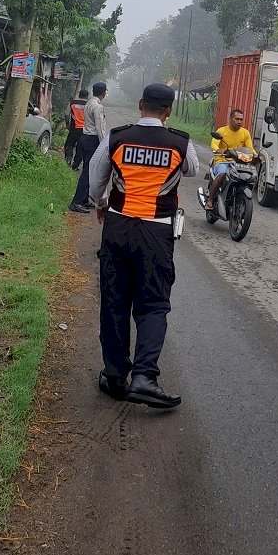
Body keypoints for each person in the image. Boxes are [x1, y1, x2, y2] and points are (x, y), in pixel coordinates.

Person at [89, 82, 199, 409]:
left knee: (114, 300)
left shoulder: (118, 137)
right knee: (153, 303)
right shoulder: (180, 142)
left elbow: (97, 174)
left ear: (140, 105)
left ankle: (114, 375)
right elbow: (192, 170)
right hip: (157, 233)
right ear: (168, 111)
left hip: (118, 225)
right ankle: (144, 377)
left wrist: (99, 203)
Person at [203, 107, 255, 211]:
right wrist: (218, 150)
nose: (239, 121)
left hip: (238, 162)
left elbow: (250, 148)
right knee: (222, 174)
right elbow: (214, 143)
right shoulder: (222, 131)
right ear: (230, 119)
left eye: (241, 119)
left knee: (249, 176)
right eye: (237, 119)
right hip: (222, 160)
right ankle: (210, 200)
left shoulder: (245, 133)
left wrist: (257, 156)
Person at [69, 82, 107, 213]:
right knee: (88, 172)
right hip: (92, 139)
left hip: (84, 138)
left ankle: (84, 199)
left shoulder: (89, 103)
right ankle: (77, 202)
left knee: (88, 169)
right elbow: (99, 127)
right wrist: (105, 144)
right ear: (104, 93)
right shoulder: (98, 107)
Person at [64, 88, 88, 169]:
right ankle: (75, 165)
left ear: (79, 95)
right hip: (84, 129)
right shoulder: (88, 105)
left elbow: (67, 114)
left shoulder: (72, 103)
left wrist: (67, 124)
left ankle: (68, 160)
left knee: (69, 144)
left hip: (74, 128)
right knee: (80, 147)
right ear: (87, 96)